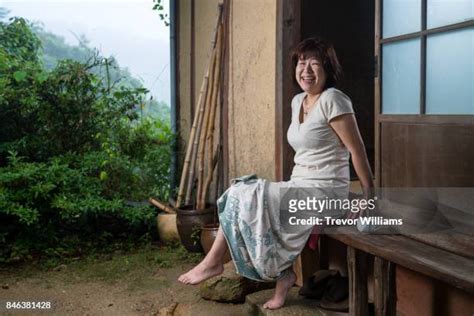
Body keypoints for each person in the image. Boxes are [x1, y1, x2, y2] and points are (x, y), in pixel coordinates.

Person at [178, 37, 374, 310]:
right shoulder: (298, 101)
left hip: (326, 192)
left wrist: (367, 194)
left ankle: (214, 262)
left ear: (327, 69)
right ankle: (283, 275)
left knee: (248, 192)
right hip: (300, 186)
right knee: (241, 193)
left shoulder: (334, 99)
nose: (306, 70)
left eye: (314, 64)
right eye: (301, 63)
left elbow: (358, 150)